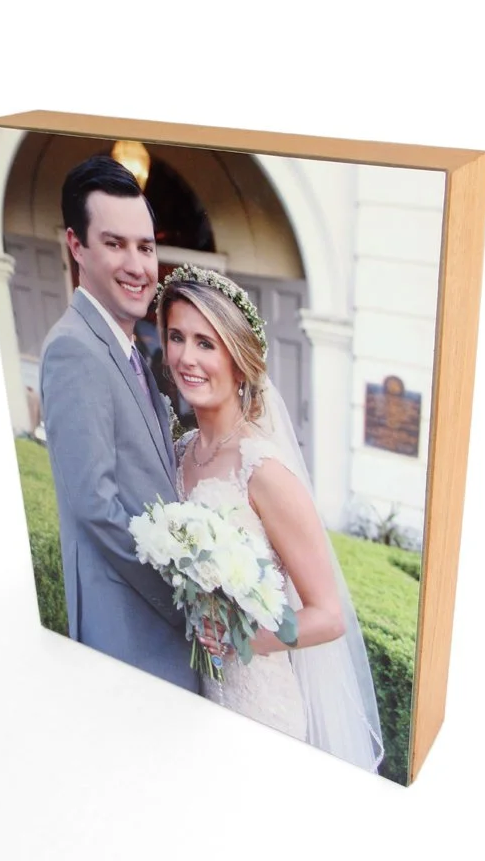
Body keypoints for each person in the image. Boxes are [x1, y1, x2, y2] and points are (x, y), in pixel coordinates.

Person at [156, 264, 384, 772]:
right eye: (176, 337)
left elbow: (327, 615)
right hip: (199, 688)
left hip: (261, 704)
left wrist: (240, 637)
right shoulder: (180, 451)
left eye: (205, 343)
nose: (186, 357)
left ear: (238, 361)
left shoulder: (265, 470)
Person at [39, 156, 198, 694]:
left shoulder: (128, 347)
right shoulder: (73, 349)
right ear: (76, 246)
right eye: (115, 244)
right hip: (130, 641)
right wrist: (187, 606)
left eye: (146, 246)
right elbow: (96, 507)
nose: (138, 265)